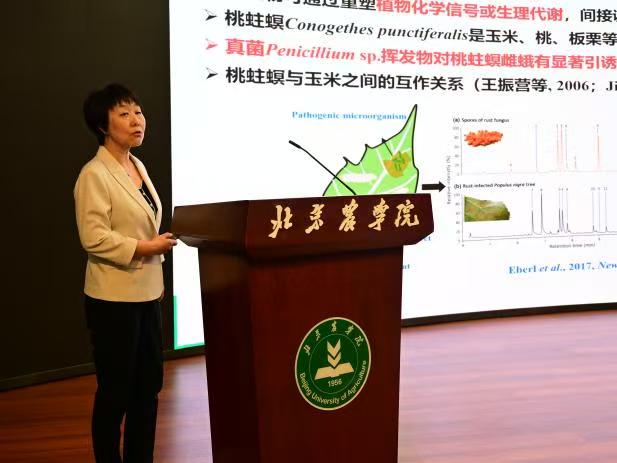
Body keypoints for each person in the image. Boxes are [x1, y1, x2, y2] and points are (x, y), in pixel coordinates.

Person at [74, 83, 177, 462]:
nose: (137, 120)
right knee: (116, 391)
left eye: (138, 111)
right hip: (112, 300)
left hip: (147, 294)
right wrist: (146, 248)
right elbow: (94, 237)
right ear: (103, 125)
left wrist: (153, 264)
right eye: (124, 114)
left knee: (148, 388)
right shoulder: (94, 174)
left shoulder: (137, 166)